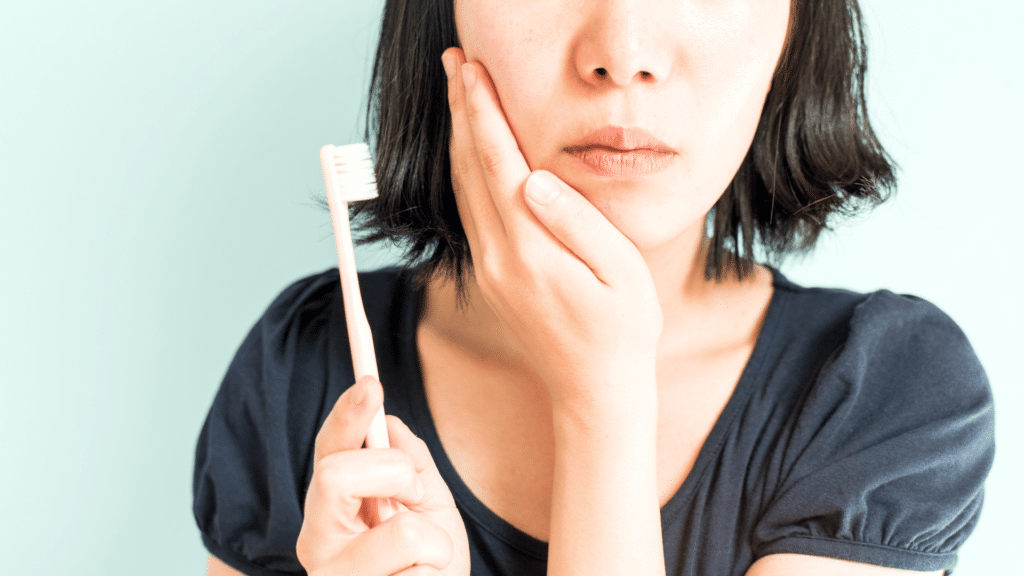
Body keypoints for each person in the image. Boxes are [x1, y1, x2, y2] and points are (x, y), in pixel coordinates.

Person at [193, 0, 995, 575]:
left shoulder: (886, 396)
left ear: (796, 26)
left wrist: (599, 399)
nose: (624, 49)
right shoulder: (304, 366)